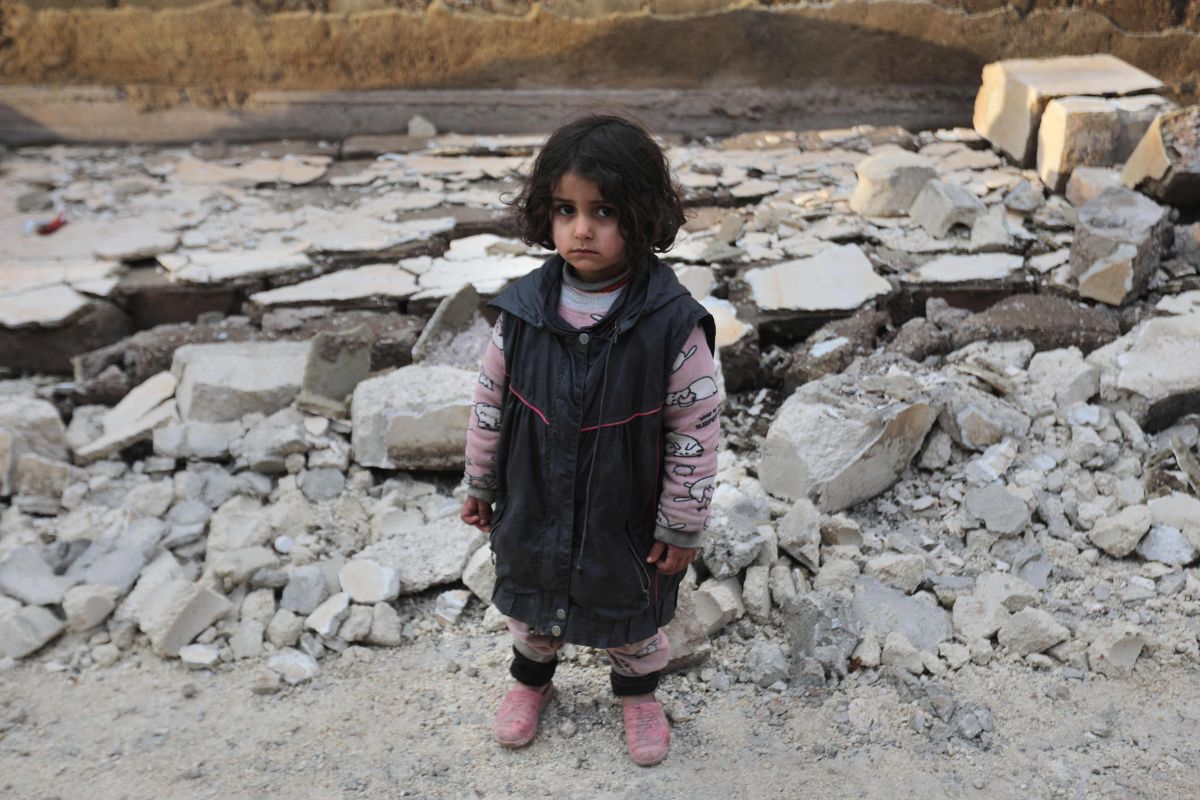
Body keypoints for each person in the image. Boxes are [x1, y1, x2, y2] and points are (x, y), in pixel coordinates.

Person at [460, 114, 720, 767]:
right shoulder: (521, 312)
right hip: (535, 497)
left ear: (641, 214)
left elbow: (697, 425)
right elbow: (489, 404)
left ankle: (638, 696)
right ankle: (529, 684)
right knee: (532, 606)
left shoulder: (670, 322)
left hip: (622, 505)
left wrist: (682, 521)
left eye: (603, 210)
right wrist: (482, 482)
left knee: (629, 612)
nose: (581, 229)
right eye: (565, 210)